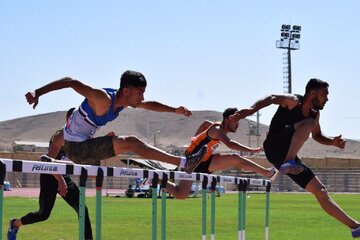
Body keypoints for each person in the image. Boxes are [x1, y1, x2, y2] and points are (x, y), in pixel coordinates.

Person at [232, 78, 360, 238]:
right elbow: (271, 97)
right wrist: (249, 111)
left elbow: (317, 135)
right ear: (312, 93)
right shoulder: (293, 101)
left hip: (286, 158)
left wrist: (332, 142)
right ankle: (288, 162)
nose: (327, 98)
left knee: (321, 191)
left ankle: (354, 227)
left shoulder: (315, 114)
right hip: (273, 146)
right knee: (310, 123)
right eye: (324, 94)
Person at [25, 70, 206, 173]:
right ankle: (183, 163)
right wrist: (37, 93)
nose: (142, 97)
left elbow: (149, 105)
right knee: (131, 142)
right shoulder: (102, 98)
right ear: (126, 91)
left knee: (125, 142)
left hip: (84, 144)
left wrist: (174, 110)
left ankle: (183, 163)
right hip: (77, 148)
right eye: (139, 93)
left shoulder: (124, 102)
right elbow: (70, 81)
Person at [7, 108, 93, 240]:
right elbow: (47, 161)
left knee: (82, 208)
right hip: (49, 175)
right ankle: (15, 224)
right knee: (43, 214)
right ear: (68, 120)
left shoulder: (79, 137)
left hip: (63, 176)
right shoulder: (59, 136)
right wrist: (59, 180)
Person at [165, 107, 275, 199]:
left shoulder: (217, 128)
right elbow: (231, 144)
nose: (238, 125)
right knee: (181, 194)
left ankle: (266, 172)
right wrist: (253, 150)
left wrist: (195, 139)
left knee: (234, 158)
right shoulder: (218, 130)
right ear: (227, 119)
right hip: (192, 162)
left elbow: (205, 124)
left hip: (205, 161)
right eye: (236, 121)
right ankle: (160, 180)